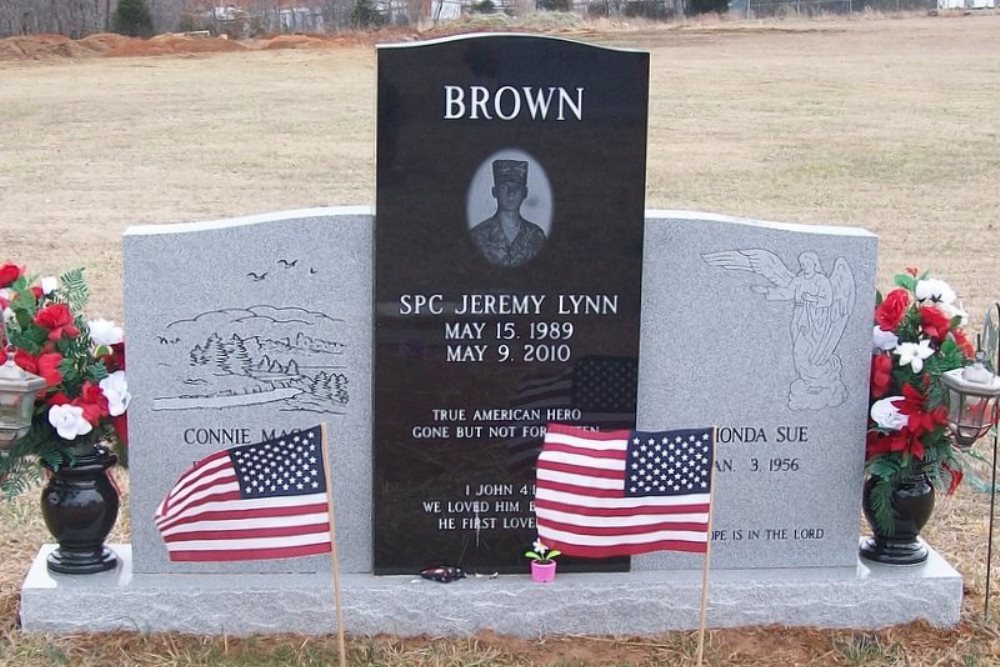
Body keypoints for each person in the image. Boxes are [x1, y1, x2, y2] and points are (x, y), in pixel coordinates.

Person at [470, 160, 546, 268]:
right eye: (504, 187)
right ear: (494, 191)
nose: (511, 193)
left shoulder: (537, 237)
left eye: (517, 187)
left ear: (525, 192)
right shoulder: (477, 237)